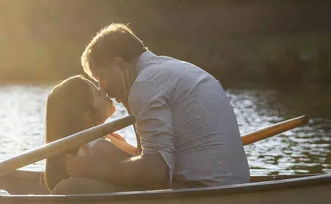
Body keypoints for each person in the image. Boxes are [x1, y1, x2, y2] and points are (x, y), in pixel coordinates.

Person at [63, 23, 250, 192]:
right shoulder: (177, 69)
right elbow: (149, 156)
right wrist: (131, 106)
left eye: (101, 77)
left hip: (205, 191)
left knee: (72, 187)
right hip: (233, 185)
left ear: (119, 64)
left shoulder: (145, 84)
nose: (102, 87)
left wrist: (98, 171)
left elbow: (156, 173)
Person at [43, 75, 138, 194]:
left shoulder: (100, 140)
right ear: (87, 116)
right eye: (98, 94)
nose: (104, 91)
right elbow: (148, 168)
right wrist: (131, 102)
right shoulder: (94, 145)